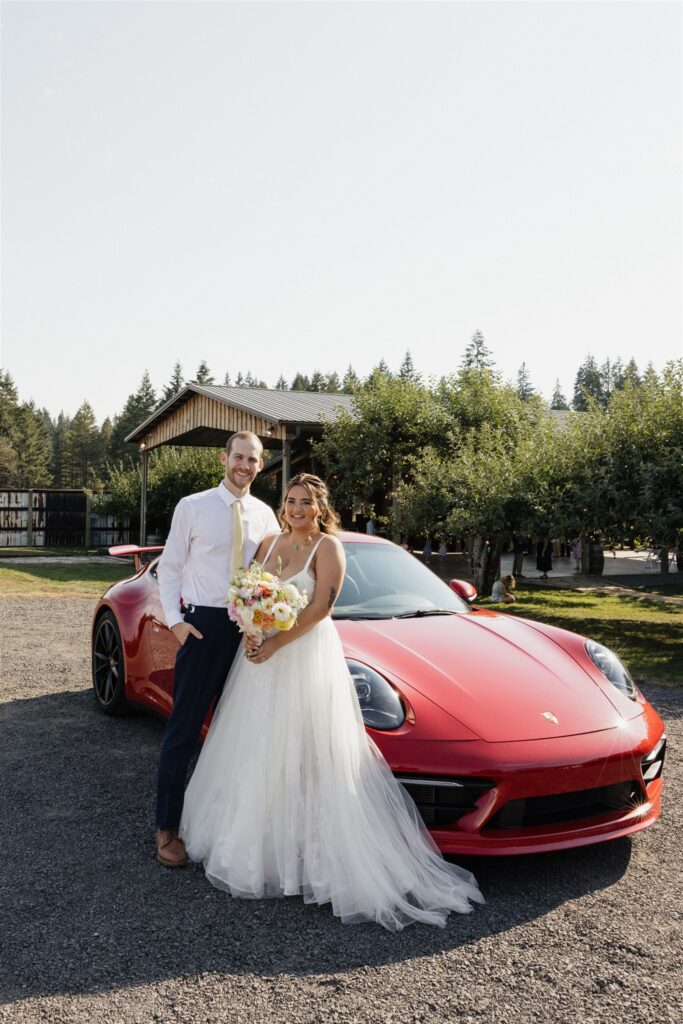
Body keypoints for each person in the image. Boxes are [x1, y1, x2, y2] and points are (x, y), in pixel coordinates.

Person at [179, 474, 484, 930]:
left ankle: (314, 860)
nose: (296, 508)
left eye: (305, 502)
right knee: (257, 748)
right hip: (259, 661)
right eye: (290, 500)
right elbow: (246, 593)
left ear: (320, 507)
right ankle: (259, 852)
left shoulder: (328, 548)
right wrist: (252, 628)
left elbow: (321, 607)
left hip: (304, 658)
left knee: (311, 755)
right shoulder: (267, 544)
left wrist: (277, 643)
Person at [154, 432, 280, 868]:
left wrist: (265, 624)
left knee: (238, 732)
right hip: (203, 625)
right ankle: (167, 828)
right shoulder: (192, 507)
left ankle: (224, 826)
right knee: (184, 730)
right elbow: (169, 568)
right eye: (238, 457)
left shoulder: (267, 516)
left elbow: (272, 575)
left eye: (253, 460)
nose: (244, 465)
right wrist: (177, 623)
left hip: (246, 631)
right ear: (225, 459)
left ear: (261, 466)